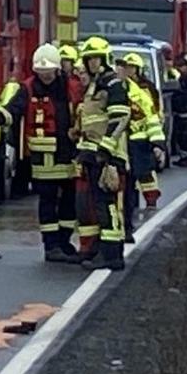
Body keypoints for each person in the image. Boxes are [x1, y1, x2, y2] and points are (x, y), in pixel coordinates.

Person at [0, 43, 85, 262]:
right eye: (41, 73)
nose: (45, 77)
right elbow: (13, 110)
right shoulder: (27, 88)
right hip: (43, 156)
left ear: (57, 69)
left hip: (70, 152)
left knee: (70, 200)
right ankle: (51, 246)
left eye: (48, 72)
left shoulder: (69, 87)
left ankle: (64, 242)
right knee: (47, 199)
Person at [74, 36, 133, 272]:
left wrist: (106, 149)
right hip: (93, 154)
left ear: (105, 59)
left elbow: (120, 118)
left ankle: (112, 255)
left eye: (96, 58)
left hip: (108, 156)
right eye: (89, 59)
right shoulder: (95, 84)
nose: (93, 63)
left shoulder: (113, 84)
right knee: (98, 205)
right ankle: (101, 250)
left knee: (107, 205)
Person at [118, 51, 166, 243]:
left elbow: (152, 117)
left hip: (137, 144)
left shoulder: (143, 91)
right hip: (116, 146)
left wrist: (157, 143)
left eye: (130, 67)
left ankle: (127, 226)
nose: (127, 70)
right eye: (124, 67)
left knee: (134, 184)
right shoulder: (111, 88)